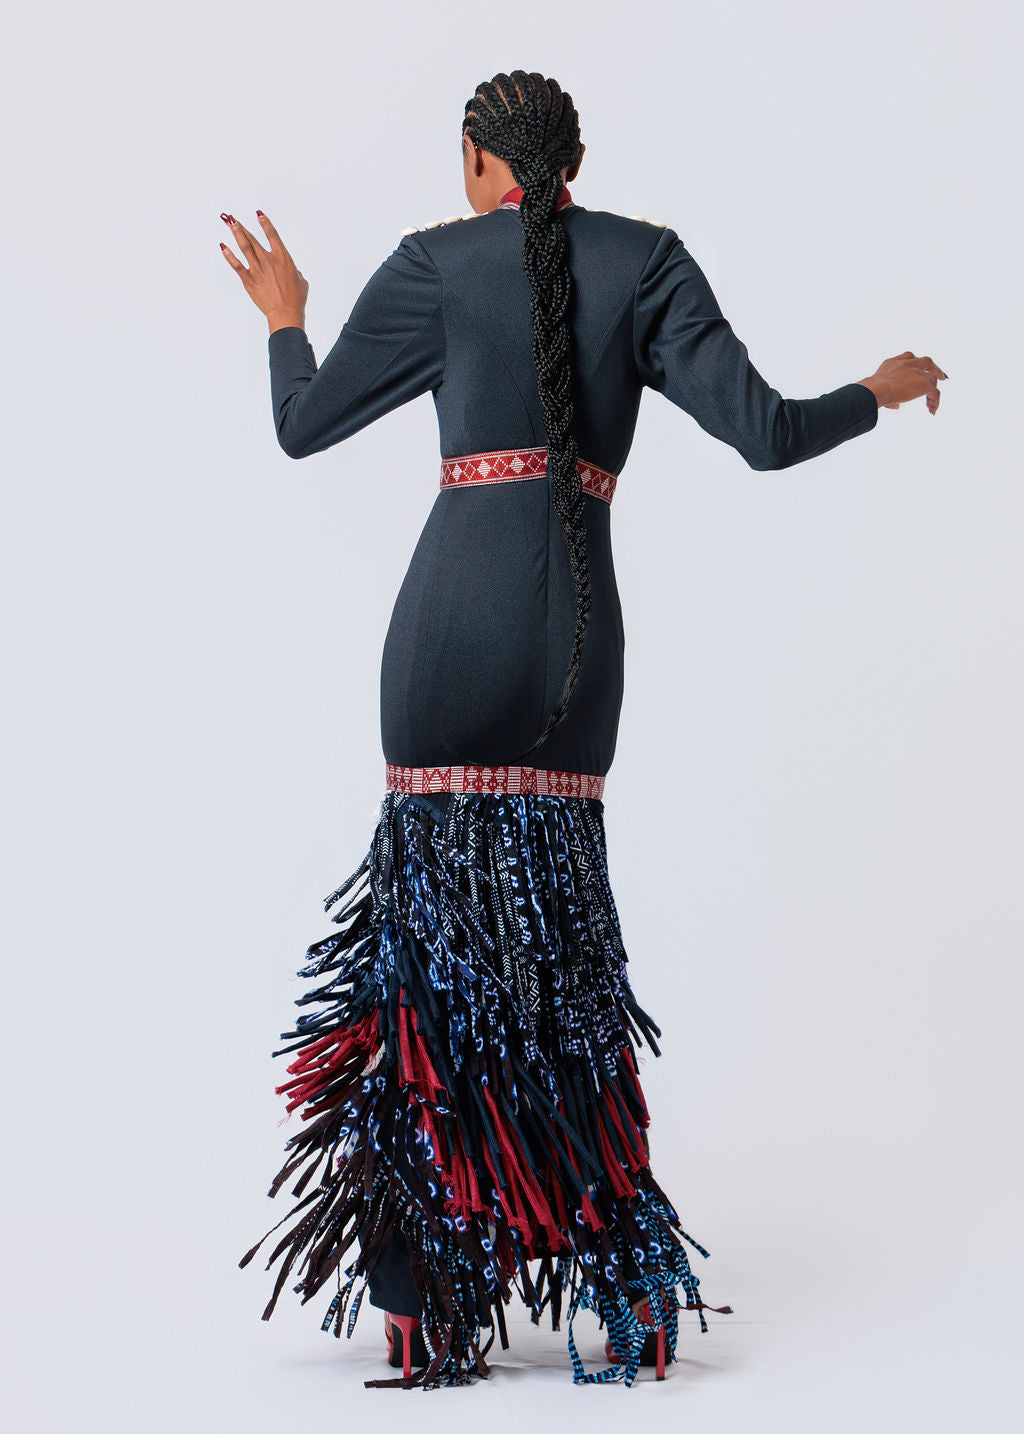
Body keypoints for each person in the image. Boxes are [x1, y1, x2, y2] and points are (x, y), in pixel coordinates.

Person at [224, 70, 947, 1392]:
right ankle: (628, 1287)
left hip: (445, 643)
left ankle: (432, 1295)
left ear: (475, 162)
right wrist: (876, 388)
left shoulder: (435, 265)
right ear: (575, 161)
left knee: (432, 973)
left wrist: (286, 319)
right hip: (578, 653)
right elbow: (770, 435)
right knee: (566, 967)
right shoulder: (648, 262)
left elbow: (300, 425)